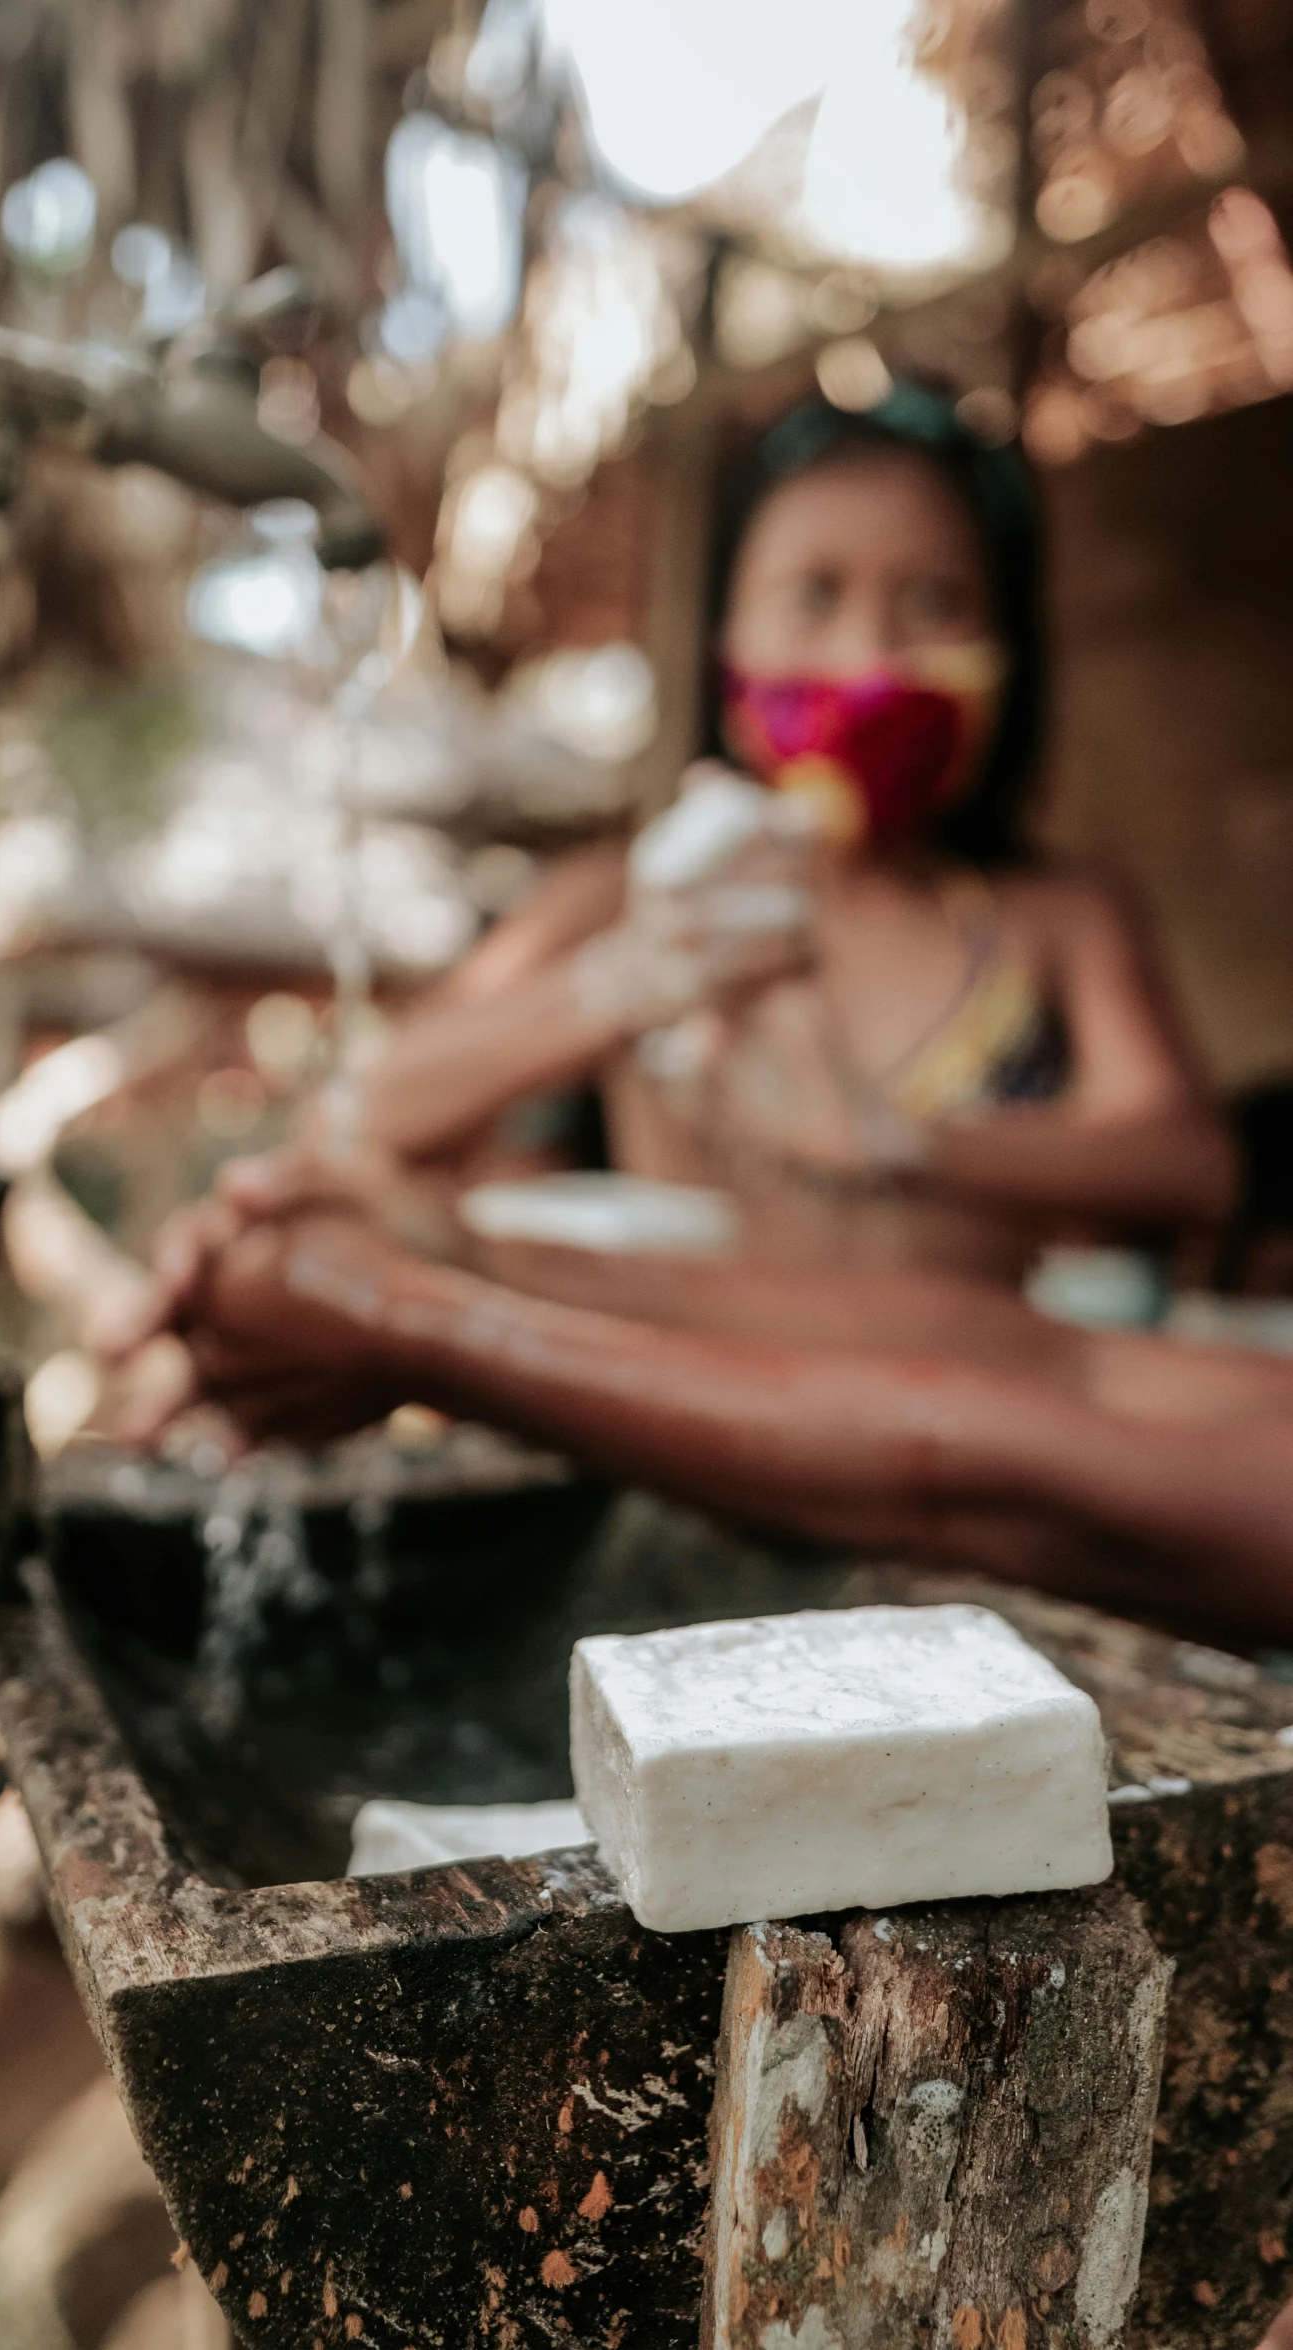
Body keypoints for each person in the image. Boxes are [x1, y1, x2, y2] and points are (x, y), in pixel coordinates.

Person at [102, 385, 1293, 1641]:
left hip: (1015, 1501)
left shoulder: (1045, 915)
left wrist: (906, 1143)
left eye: (933, 603)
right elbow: (357, 1116)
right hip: (690, 1452)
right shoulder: (628, 896)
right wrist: (620, 985)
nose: (869, 656)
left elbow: (1183, 1177)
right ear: (726, 644)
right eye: (815, 596)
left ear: (1006, 648)